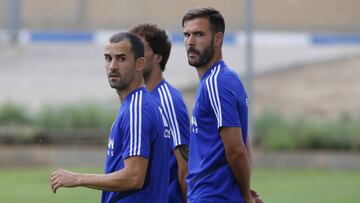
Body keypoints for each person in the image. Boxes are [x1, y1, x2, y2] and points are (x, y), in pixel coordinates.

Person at [50, 32, 170, 203]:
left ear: (140, 63)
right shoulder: (138, 105)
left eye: (121, 59)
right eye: (108, 58)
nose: (112, 66)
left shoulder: (137, 109)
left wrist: (78, 178)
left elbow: (134, 177)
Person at [182, 7, 262, 203]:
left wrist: (245, 196)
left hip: (212, 196)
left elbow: (236, 150)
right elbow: (244, 142)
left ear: (217, 39)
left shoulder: (216, 82)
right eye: (187, 35)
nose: (190, 42)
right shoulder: (223, 79)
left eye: (198, 34)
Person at [129, 23, 190, 203]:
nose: (134, 56)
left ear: (157, 57)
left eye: (140, 49)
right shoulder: (137, 100)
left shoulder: (168, 100)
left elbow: (184, 165)